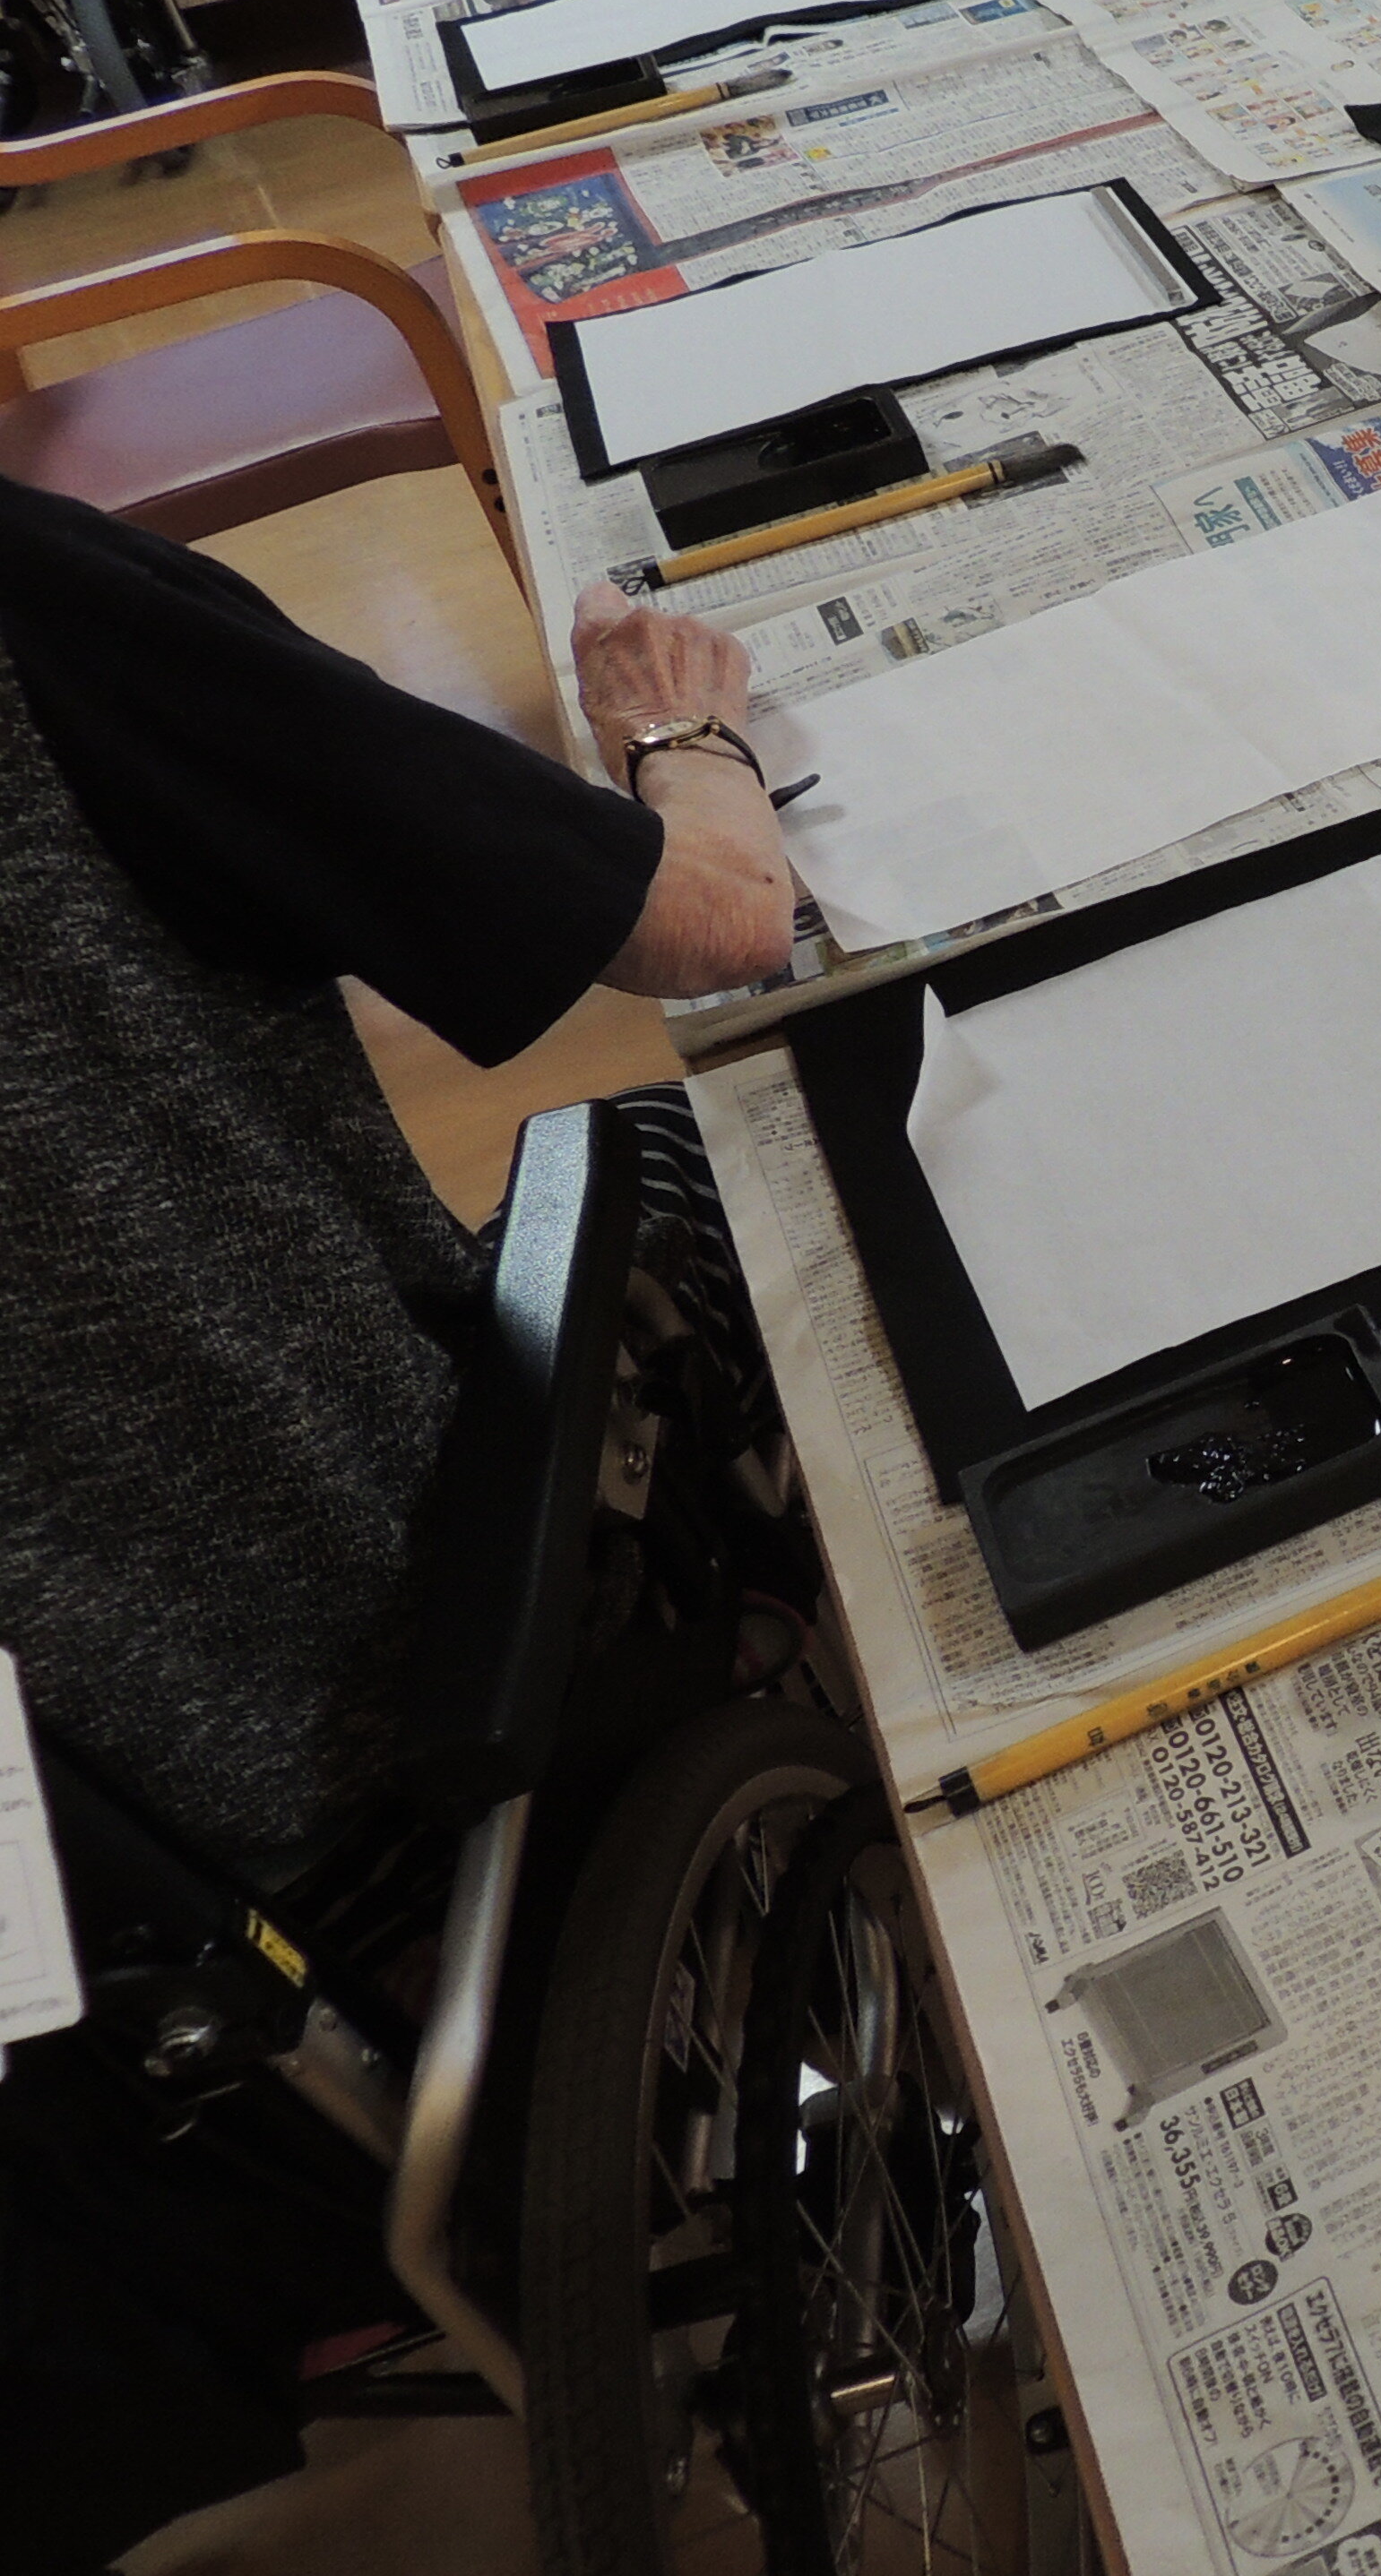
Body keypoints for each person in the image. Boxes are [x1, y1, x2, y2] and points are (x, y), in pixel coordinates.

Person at [0, 475, 807, 2564]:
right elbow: (717, 925)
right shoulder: (40, 615)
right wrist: (680, 734)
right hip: (367, 1702)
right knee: (749, 1186)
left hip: (70, 1953)